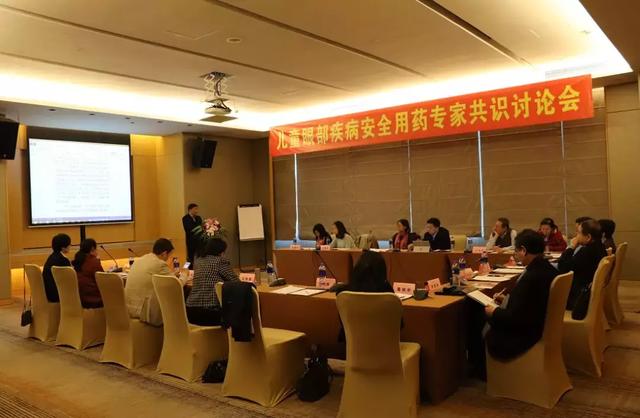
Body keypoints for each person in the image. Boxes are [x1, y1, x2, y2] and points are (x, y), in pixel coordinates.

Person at [483, 229, 559, 361]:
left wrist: (494, 311)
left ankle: (479, 367)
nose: (515, 255)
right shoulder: (548, 268)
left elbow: (515, 318)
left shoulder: (531, 277)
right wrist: (508, 299)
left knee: (478, 314)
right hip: (538, 325)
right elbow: (529, 302)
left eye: (516, 251)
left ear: (523, 250)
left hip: (524, 334)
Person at [125, 238, 187, 326]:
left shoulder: (140, 260)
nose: (168, 259)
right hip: (144, 313)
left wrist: (172, 274)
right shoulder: (160, 264)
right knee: (175, 304)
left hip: (129, 310)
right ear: (164, 253)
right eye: (169, 255)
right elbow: (176, 285)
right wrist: (185, 274)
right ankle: (179, 331)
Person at [186, 238, 238, 326]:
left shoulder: (198, 261)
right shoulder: (220, 261)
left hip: (191, 311)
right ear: (221, 252)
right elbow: (235, 282)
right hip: (210, 312)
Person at [558, 219, 607, 311]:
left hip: (577, 299)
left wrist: (571, 247)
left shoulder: (586, 251)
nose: (576, 235)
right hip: (586, 292)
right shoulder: (600, 247)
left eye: (578, 232)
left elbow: (563, 268)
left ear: (588, 237)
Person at [72, 239, 104, 309]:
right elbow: (102, 281)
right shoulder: (93, 261)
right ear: (92, 249)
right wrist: (97, 260)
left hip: (79, 296)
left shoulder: (78, 259)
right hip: (93, 299)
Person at [42, 233, 72, 303]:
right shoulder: (63, 260)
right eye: (69, 244)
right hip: (57, 294)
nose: (70, 246)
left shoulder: (52, 257)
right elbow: (70, 279)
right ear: (63, 247)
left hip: (48, 292)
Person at [182, 203, 203, 268]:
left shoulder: (198, 218)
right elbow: (189, 229)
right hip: (190, 241)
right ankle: (186, 269)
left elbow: (201, 227)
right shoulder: (185, 218)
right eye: (195, 209)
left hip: (199, 241)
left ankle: (199, 269)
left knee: (200, 256)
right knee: (190, 257)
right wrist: (197, 228)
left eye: (197, 209)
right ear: (190, 210)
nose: (197, 211)